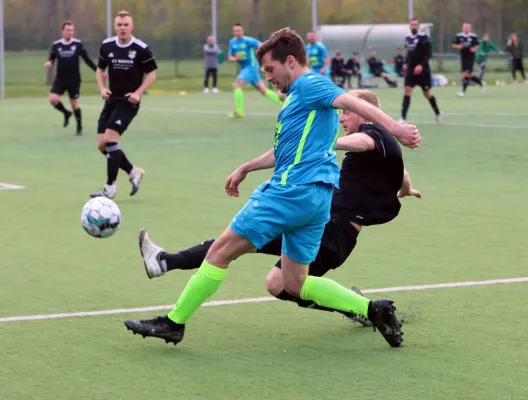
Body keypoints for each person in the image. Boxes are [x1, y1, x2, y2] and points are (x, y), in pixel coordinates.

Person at [123, 28, 421, 348]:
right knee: (294, 283)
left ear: (290, 61)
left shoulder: (309, 84)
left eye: (270, 69)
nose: (267, 77)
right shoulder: (301, 101)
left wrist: (396, 128)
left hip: (290, 193)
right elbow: (285, 151)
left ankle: (173, 322)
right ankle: (372, 310)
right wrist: (245, 168)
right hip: (317, 200)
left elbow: (353, 101)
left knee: (220, 251)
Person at [89, 10, 156, 199]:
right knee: (102, 145)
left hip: (128, 101)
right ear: (115, 26)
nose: (123, 28)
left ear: (132, 26)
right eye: (119, 25)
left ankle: (109, 188)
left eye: (126, 24)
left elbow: (151, 74)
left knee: (110, 140)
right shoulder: (107, 45)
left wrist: (138, 93)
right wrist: (102, 88)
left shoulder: (141, 48)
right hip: (111, 99)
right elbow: (100, 69)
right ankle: (134, 171)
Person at [44, 21, 97, 136]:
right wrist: (49, 63)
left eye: (72, 30)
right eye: (68, 30)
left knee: (74, 103)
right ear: (62, 31)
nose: (70, 32)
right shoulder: (56, 45)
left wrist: (98, 71)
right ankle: (66, 113)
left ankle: (79, 128)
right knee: (53, 99)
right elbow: (51, 58)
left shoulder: (78, 44)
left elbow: (87, 60)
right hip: (60, 79)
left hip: (74, 79)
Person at [227, 23, 284, 118]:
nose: (237, 32)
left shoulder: (248, 40)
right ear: (233, 32)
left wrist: (272, 49)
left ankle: (239, 112)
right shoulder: (232, 42)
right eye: (235, 31)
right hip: (246, 69)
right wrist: (235, 58)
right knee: (263, 90)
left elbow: (261, 45)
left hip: (251, 67)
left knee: (236, 85)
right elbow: (230, 57)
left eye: (239, 30)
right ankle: (286, 105)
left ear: (242, 31)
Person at [400, 17, 441, 124]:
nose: (413, 26)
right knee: (407, 90)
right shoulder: (408, 38)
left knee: (427, 93)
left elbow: (429, 54)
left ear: (419, 26)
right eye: (412, 25)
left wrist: (421, 65)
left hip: (423, 70)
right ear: (409, 26)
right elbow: (409, 53)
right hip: (411, 69)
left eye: (415, 25)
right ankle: (403, 118)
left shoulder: (424, 38)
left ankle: (437, 112)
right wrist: (405, 62)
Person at [452, 23, 483, 97]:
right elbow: (453, 44)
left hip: (470, 57)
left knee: (466, 74)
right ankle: (479, 83)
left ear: (470, 29)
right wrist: (458, 46)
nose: (466, 29)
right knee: (465, 74)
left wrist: (474, 49)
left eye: (468, 27)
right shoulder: (459, 35)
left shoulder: (473, 36)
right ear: (463, 28)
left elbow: (479, 44)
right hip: (463, 57)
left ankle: (463, 92)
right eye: (465, 27)